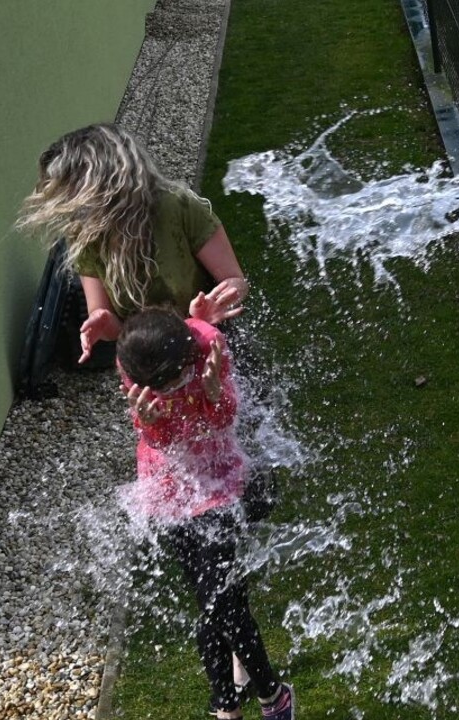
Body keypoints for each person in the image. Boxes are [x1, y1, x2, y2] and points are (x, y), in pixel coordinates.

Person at [116, 307, 294, 720]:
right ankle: (258, 698)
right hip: (169, 483)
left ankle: (242, 704)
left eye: (178, 377)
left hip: (216, 477)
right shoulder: (131, 365)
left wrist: (214, 394)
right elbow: (161, 439)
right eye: (162, 385)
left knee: (217, 601)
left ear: (186, 356)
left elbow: (223, 421)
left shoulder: (210, 343)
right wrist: (150, 423)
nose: (174, 387)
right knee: (215, 601)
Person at [17, 122, 248, 364]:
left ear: (106, 180)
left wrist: (214, 305)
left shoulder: (176, 207)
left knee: (235, 401)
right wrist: (103, 323)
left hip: (213, 340)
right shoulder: (86, 235)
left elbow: (236, 281)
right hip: (153, 359)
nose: (71, 203)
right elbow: (113, 325)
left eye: (73, 190)